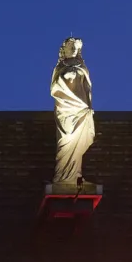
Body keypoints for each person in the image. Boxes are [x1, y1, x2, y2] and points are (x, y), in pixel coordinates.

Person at [49, 38, 96, 189]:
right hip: (66, 109)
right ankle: (63, 175)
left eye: (76, 48)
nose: (74, 50)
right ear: (65, 49)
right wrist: (67, 76)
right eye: (71, 47)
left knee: (77, 142)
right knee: (68, 138)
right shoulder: (60, 67)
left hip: (80, 109)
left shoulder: (82, 66)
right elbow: (55, 88)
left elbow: (87, 88)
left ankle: (75, 175)